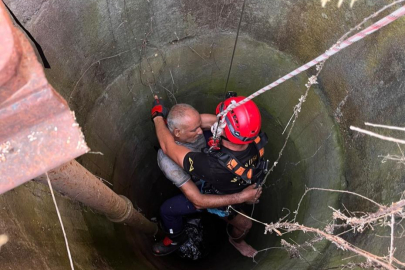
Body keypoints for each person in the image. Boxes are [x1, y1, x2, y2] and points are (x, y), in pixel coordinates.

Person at [151, 95, 268, 258]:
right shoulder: (167, 160)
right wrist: (242, 197)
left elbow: (208, 122)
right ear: (178, 132)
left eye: (200, 125)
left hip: (214, 175)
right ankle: (176, 238)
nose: (201, 131)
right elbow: (198, 200)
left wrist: (157, 116)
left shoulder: (196, 130)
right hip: (203, 189)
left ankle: (236, 241)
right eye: (195, 129)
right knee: (166, 211)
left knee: (245, 225)